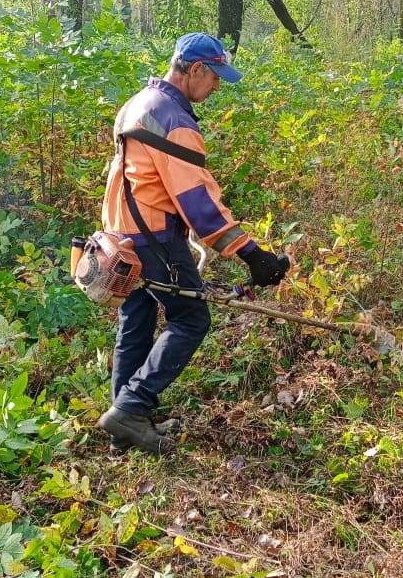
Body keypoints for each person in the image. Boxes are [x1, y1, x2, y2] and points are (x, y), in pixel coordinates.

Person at [97, 32, 288, 454]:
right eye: (216, 77)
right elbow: (197, 202)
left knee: (137, 321)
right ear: (196, 69)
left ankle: (123, 427)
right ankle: (130, 409)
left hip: (122, 234)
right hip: (155, 238)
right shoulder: (176, 121)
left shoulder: (138, 102)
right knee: (191, 319)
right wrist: (251, 254)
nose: (218, 86)